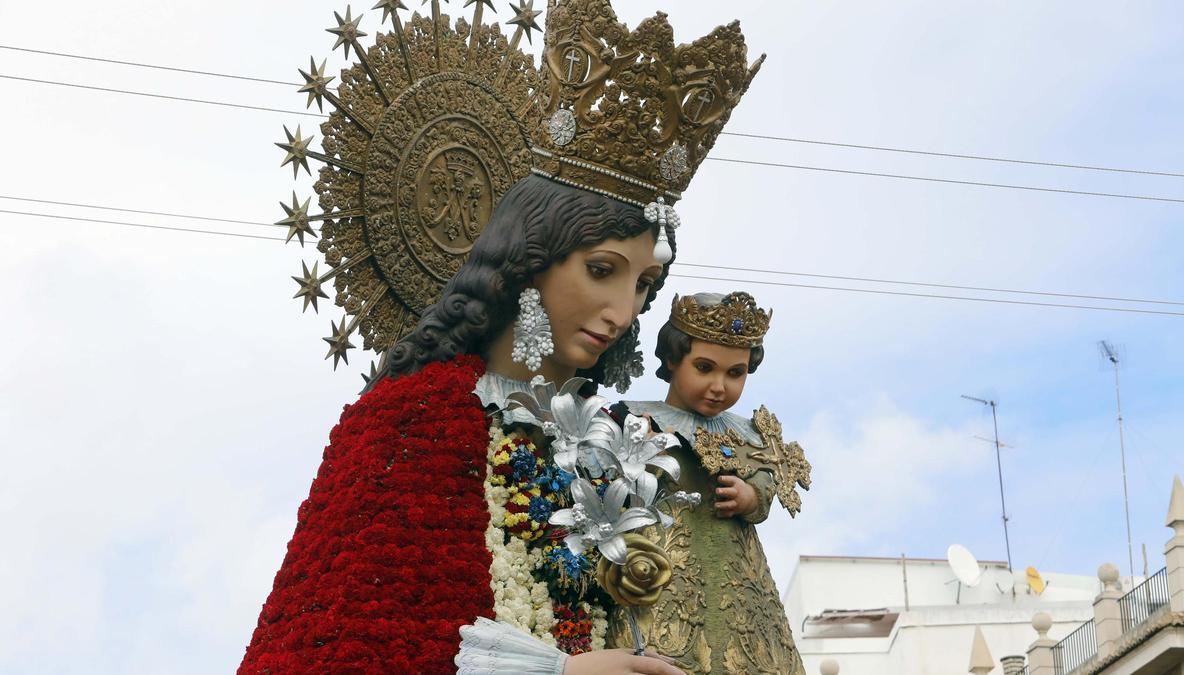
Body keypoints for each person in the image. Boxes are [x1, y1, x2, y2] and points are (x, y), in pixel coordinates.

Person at [240, 1, 764, 672]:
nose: (623, 309)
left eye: (641, 284)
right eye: (602, 270)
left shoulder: (606, 441)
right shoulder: (416, 414)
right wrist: (561, 670)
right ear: (530, 258)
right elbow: (344, 639)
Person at [611, 291, 810, 674]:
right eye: (705, 368)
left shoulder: (749, 434)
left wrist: (751, 498)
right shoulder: (634, 420)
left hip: (740, 584)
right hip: (658, 571)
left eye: (735, 373)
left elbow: (769, 482)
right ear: (672, 359)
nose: (720, 386)